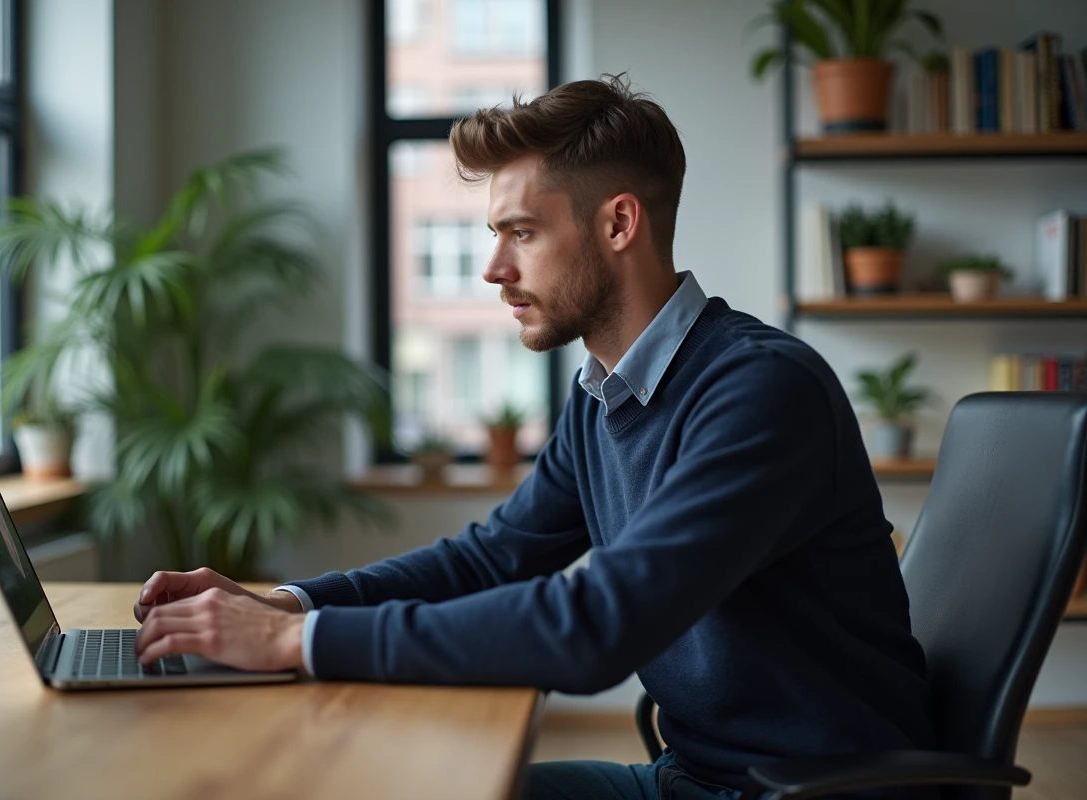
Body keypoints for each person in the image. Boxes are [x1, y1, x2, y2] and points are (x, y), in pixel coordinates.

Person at [133, 75, 936, 800]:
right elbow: (489, 559)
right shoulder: (602, 397)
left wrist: (294, 642)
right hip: (696, 778)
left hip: (811, 793)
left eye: (520, 233)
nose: (492, 269)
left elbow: (595, 628)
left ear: (619, 222)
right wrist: (286, 602)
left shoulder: (762, 392)